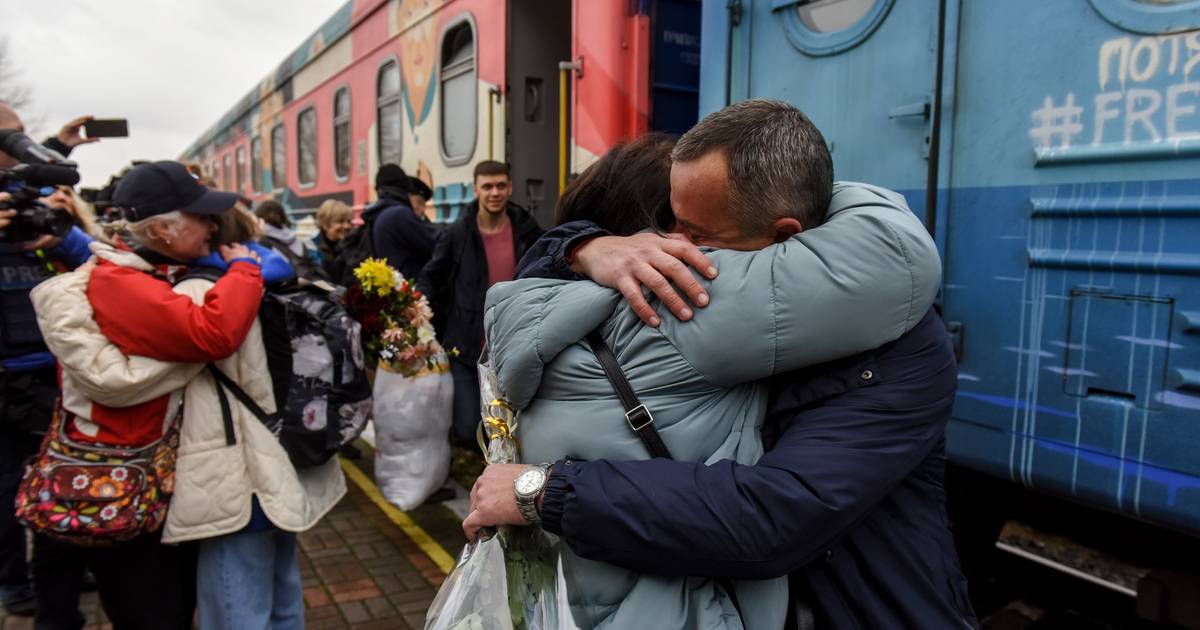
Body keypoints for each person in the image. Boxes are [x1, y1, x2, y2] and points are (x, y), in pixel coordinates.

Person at [465, 100, 978, 629]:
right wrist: (587, 247)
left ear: (783, 236)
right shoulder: (714, 310)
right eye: (668, 230)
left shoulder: (904, 346)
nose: (675, 251)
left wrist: (546, 490)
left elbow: (776, 515)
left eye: (697, 235)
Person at [32, 161, 345, 629]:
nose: (211, 224)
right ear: (162, 229)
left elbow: (206, 336)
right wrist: (248, 265)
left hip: (227, 479)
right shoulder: (252, 279)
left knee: (237, 608)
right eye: (202, 216)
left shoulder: (196, 288)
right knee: (280, 601)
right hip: (274, 463)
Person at [0, 101, 98, 621]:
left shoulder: (33, 196)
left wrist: (58, 156)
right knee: (6, 490)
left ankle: (59, 562)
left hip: (50, 369)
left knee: (56, 478)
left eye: (22, 137)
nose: (20, 145)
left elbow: (93, 266)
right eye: (10, 138)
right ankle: (14, 581)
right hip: (6, 376)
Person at [418, 160, 543, 445]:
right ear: (476, 189)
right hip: (466, 344)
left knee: (512, 422)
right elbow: (431, 275)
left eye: (501, 185)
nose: (495, 192)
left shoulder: (526, 229)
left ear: (510, 187)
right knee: (465, 427)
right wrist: (416, 307)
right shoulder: (457, 233)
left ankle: (498, 472)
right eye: (487, 186)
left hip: (514, 341)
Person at [366, 163, 440, 280]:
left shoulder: (380, 213)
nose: (422, 210)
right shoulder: (399, 214)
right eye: (419, 202)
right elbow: (434, 242)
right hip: (409, 289)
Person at [310, 198, 353, 277]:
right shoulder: (312, 249)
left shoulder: (352, 245)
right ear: (325, 224)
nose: (347, 226)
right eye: (340, 221)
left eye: (349, 221)